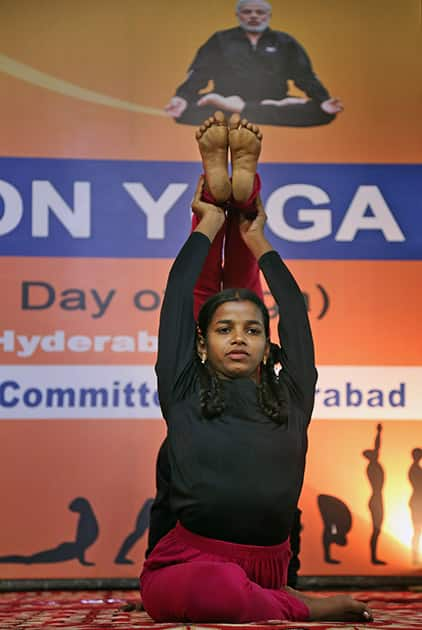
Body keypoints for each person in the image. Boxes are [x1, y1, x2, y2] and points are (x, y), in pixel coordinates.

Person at [139, 111, 371, 623]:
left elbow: (288, 312)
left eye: (254, 334)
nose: (241, 340)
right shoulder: (182, 390)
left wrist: (259, 242)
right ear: (200, 346)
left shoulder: (292, 396)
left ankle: (238, 195)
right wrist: (210, 225)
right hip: (193, 559)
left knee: (236, 303)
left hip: (266, 566)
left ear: (272, 346)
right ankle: (299, 606)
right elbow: (180, 299)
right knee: (214, 304)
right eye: (223, 335)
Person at [165, 0, 343, 127]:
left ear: (268, 16)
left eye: (259, 12)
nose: (254, 16)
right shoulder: (220, 39)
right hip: (226, 98)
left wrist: (323, 100)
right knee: (185, 111)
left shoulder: (285, 41)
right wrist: (181, 98)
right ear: (238, 15)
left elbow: (305, 76)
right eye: (247, 11)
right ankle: (256, 111)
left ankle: (241, 110)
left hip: (273, 99)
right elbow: (199, 73)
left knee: (323, 113)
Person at [363, 423, 386, 565]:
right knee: (376, 528)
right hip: (375, 499)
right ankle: (373, 557)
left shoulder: (373, 464)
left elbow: (377, 447)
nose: (376, 452)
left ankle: (374, 556)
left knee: (378, 529)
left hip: (378, 498)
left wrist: (379, 433)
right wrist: (378, 433)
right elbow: (377, 447)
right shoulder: (371, 466)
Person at [409, 447, 422, 565]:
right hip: (417, 503)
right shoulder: (415, 469)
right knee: (417, 530)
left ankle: (415, 557)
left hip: (418, 501)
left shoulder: (416, 469)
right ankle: (415, 557)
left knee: (418, 530)